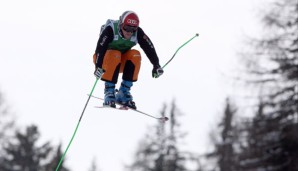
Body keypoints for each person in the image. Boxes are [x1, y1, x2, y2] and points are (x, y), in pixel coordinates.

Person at [93, 11, 164, 109]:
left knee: (135, 54)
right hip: (103, 60)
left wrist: (156, 65)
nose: (129, 32)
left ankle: (123, 92)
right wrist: (98, 66)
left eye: (133, 29)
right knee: (115, 54)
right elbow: (100, 48)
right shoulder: (111, 29)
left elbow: (149, 47)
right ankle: (109, 91)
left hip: (120, 63)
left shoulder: (138, 33)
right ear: (121, 24)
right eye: (127, 28)